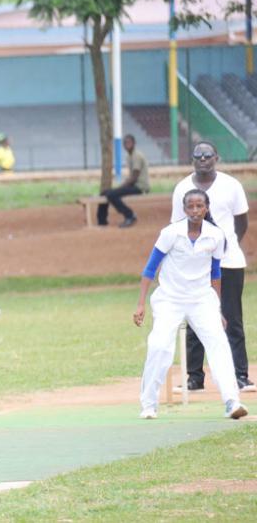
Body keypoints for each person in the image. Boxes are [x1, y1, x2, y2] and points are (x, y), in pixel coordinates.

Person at [134, 189, 248, 420]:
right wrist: (140, 304)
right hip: (169, 298)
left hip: (201, 299)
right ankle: (149, 404)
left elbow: (215, 274)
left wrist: (217, 309)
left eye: (199, 206)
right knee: (159, 345)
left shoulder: (216, 235)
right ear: (184, 209)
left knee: (218, 342)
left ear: (206, 208)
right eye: (191, 207)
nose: (195, 211)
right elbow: (150, 268)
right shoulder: (170, 233)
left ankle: (232, 401)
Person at [170, 141, 253, 393]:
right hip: (196, 266)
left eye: (207, 155)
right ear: (192, 160)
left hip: (229, 262)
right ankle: (195, 377)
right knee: (195, 319)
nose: (203, 159)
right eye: (198, 156)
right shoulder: (182, 188)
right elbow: (177, 227)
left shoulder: (231, 186)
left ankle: (240, 375)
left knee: (230, 318)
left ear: (216, 157)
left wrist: (227, 246)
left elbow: (242, 221)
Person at [97, 134, 149, 228]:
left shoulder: (137, 156)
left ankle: (130, 215)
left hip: (140, 187)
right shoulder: (129, 156)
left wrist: (120, 187)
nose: (127, 145)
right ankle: (102, 221)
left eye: (129, 142)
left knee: (112, 194)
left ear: (134, 143)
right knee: (105, 193)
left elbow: (134, 178)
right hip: (134, 185)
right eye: (125, 143)